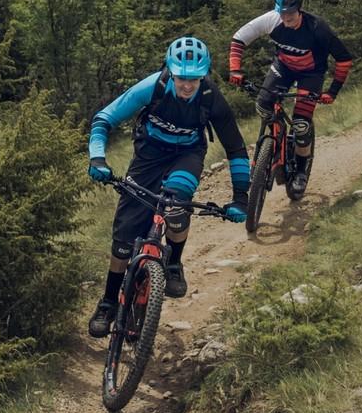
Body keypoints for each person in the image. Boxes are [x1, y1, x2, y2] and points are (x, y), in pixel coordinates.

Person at [85, 35, 250, 338]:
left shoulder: (211, 98)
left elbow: (236, 149)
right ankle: (108, 301)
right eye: (181, 77)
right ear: (170, 71)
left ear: (205, 75)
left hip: (187, 156)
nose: (187, 85)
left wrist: (241, 198)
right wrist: (98, 158)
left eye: (194, 79)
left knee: (176, 206)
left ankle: (173, 263)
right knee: (123, 238)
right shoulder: (153, 87)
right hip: (148, 156)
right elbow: (103, 119)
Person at [227, 0, 353, 198]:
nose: (286, 17)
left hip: (311, 74)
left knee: (302, 125)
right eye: (282, 12)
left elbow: (344, 60)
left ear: (300, 9)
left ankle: (301, 171)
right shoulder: (272, 19)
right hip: (283, 68)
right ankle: (271, 147)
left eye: (291, 13)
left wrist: (332, 92)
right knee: (263, 105)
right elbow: (239, 39)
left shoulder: (318, 28)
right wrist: (235, 70)